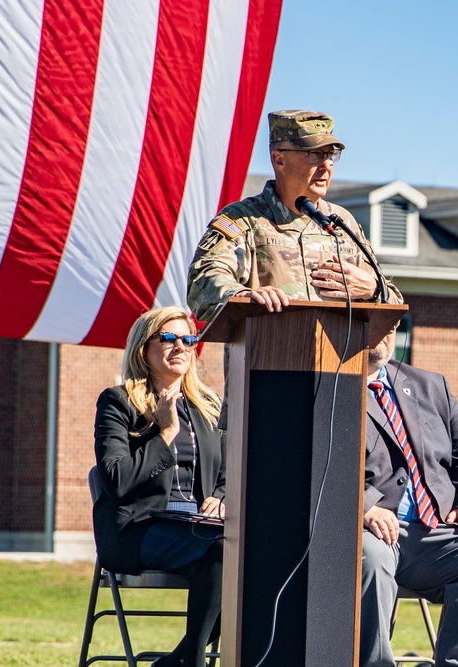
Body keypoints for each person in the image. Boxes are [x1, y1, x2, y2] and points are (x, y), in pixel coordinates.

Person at [362, 327, 458, 667]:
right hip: (370, 531)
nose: (382, 336)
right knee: (370, 557)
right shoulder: (330, 385)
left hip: (434, 530)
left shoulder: (431, 385)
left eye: (390, 328)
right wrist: (364, 506)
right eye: (373, 326)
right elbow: (320, 459)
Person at [92, 306, 225, 667]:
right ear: (143, 347)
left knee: (257, 557)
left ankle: (175, 663)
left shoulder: (208, 407)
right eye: (168, 338)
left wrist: (221, 497)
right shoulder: (119, 403)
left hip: (199, 526)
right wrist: (165, 433)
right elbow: (116, 479)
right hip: (138, 527)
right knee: (225, 552)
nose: (180, 346)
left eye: (188, 339)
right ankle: (191, 663)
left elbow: (230, 471)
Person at [187, 109, 403, 322]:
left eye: (330, 155)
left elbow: (394, 303)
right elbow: (202, 281)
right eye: (315, 154)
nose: (326, 165)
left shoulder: (343, 223)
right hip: (266, 352)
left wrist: (373, 291)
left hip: (336, 356)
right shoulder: (242, 219)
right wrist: (241, 297)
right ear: (279, 159)